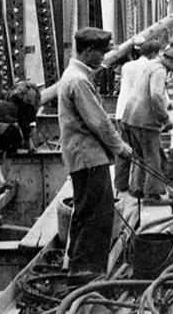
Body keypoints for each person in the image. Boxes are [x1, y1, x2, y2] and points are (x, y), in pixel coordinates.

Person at [58, 27, 133, 280]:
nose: (103, 58)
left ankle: (77, 267)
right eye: (101, 53)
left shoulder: (74, 75)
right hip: (88, 157)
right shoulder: (79, 81)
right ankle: (88, 274)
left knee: (85, 212)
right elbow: (99, 122)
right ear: (89, 51)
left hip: (82, 157)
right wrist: (120, 147)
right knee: (98, 215)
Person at [122, 47, 173, 204]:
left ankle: (137, 188)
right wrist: (165, 119)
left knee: (141, 156)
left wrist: (166, 103)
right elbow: (156, 95)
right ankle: (152, 195)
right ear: (171, 61)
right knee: (154, 158)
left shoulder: (152, 64)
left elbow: (149, 92)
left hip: (132, 117)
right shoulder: (160, 70)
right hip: (144, 120)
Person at [114, 38, 162, 195]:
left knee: (123, 148)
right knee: (142, 153)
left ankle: (120, 184)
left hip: (122, 111)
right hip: (138, 114)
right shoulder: (153, 67)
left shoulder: (127, 66)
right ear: (153, 53)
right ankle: (139, 188)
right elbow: (157, 93)